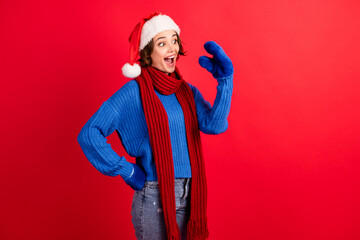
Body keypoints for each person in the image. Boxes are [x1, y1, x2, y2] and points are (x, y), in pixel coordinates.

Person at [77, 12, 234, 240]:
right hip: (154, 197)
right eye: (162, 43)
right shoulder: (134, 92)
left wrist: (225, 80)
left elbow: (215, 125)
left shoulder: (186, 92)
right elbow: (89, 134)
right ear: (148, 54)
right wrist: (127, 170)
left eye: (174, 40)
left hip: (191, 196)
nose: (172, 48)